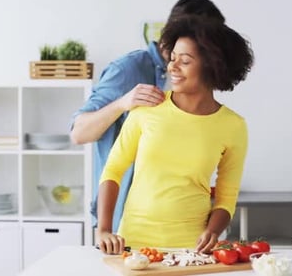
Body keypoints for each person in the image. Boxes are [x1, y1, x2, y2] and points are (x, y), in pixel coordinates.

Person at [97, 15, 254, 255]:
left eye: (185, 61)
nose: (172, 67)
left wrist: (213, 231)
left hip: (191, 248)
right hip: (135, 242)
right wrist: (104, 230)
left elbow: (226, 197)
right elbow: (113, 170)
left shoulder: (233, 126)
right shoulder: (146, 109)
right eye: (172, 58)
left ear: (212, 66)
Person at [70, 0, 226, 233]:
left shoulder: (194, 75)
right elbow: (79, 133)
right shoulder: (128, 69)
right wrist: (122, 103)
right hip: (127, 223)